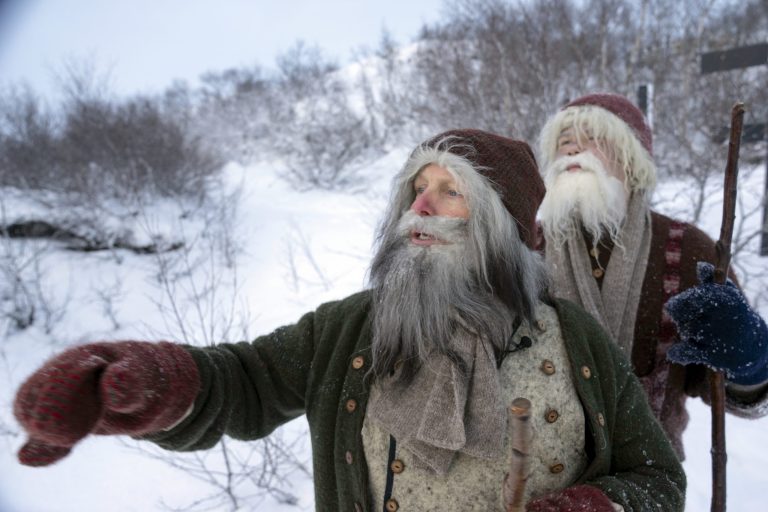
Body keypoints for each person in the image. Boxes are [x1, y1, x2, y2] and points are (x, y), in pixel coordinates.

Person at [13, 129, 685, 511]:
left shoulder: (575, 342)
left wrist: (596, 507)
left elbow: (657, 475)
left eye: (451, 191)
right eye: (417, 190)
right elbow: (243, 382)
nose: (420, 206)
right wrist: (157, 381)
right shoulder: (352, 331)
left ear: (503, 227)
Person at [536, 92, 768, 458]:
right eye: (564, 142)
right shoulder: (525, 248)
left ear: (632, 159)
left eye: (591, 136)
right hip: (536, 479)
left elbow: (736, 398)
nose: (572, 149)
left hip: (649, 479)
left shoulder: (688, 248)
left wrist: (749, 363)